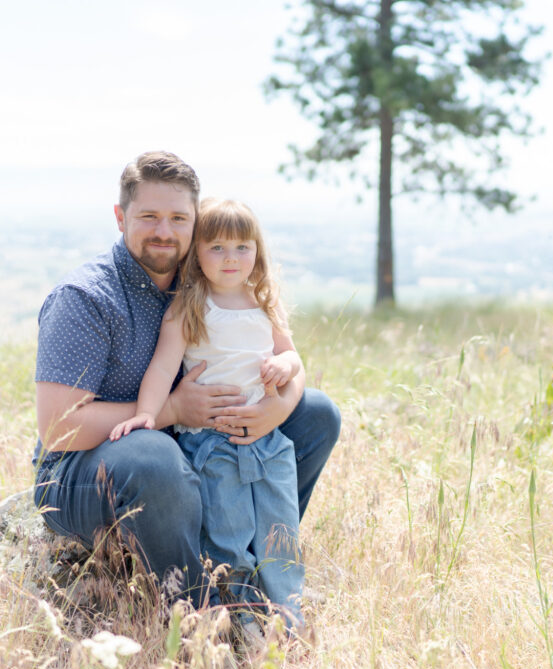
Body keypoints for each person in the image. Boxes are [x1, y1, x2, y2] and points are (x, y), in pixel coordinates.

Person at [32, 151, 340, 609]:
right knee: (154, 454)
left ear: (197, 223)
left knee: (315, 414)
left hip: (194, 443)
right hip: (82, 472)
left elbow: (285, 353)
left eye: (179, 218)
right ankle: (201, 608)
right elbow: (58, 428)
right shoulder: (86, 298)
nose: (164, 231)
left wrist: (277, 405)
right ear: (120, 217)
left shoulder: (207, 282)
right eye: (149, 217)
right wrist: (170, 410)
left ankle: (250, 565)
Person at [110, 198, 305, 628]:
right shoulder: (191, 305)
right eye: (216, 247)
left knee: (280, 535)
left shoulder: (263, 301)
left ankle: (290, 622)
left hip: (267, 442)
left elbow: (290, 354)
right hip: (212, 443)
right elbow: (163, 366)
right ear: (196, 252)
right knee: (228, 537)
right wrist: (148, 413)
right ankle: (242, 623)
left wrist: (283, 367)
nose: (231, 258)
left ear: (257, 251)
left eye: (242, 247)